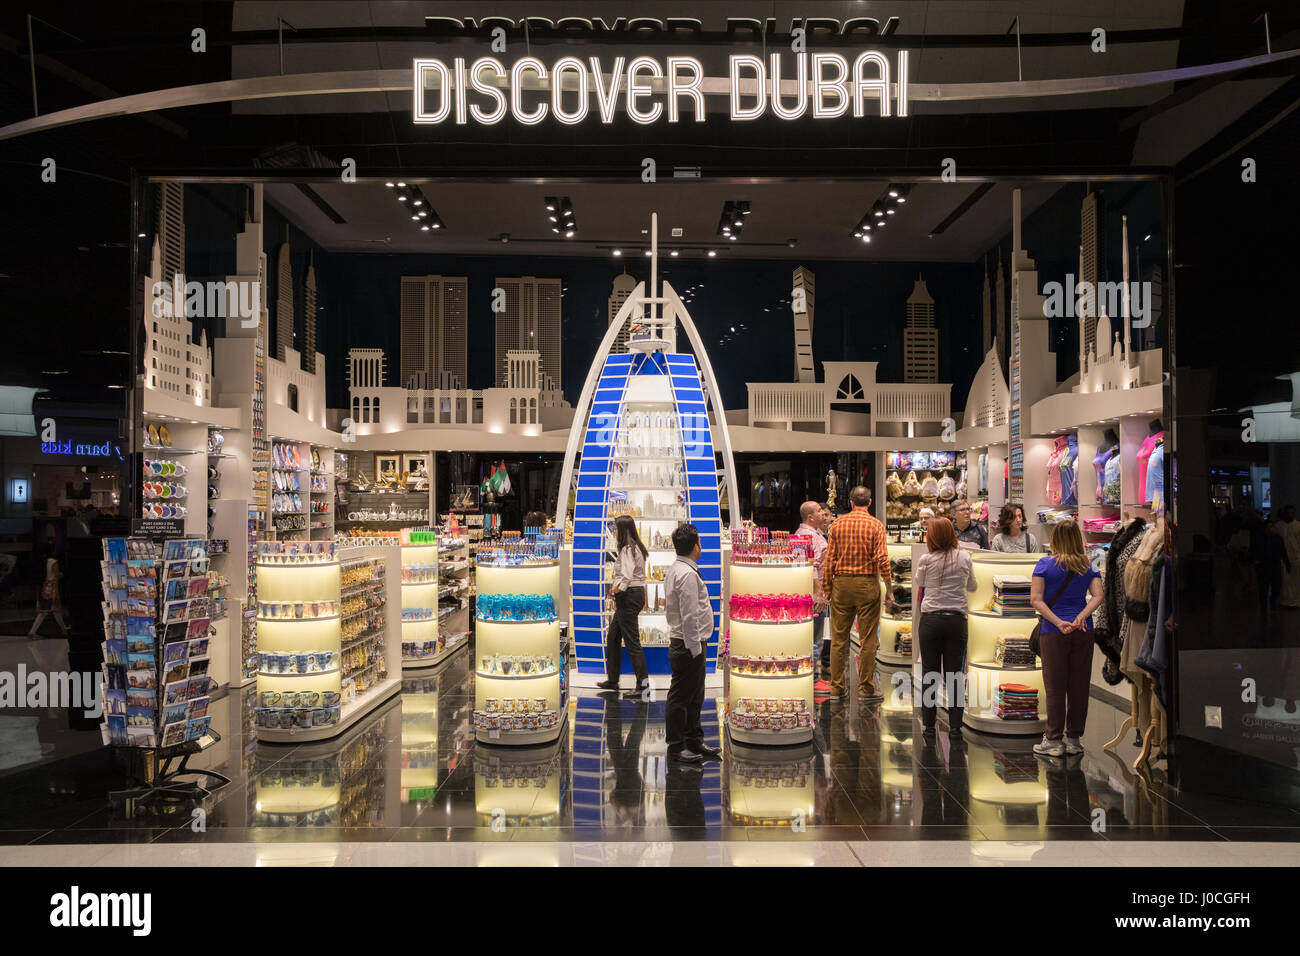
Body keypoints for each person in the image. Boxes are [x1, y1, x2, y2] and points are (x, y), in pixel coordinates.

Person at [1030, 521, 1104, 758]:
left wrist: (1057, 621)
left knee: (1055, 686)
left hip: (1054, 631)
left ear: (1055, 539)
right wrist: (1081, 617)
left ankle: (1053, 739)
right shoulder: (1088, 565)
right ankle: (1074, 738)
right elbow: (1098, 595)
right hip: (1083, 631)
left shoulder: (1044, 565)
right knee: (1079, 685)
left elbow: (1036, 599)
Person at [823, 486, 893, 703]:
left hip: (841, 584)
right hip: (867, 584)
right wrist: (889, 589)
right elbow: (882, 559)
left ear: (851, 502)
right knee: (868, 638)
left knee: (838, 639)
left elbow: (829, 559)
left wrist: (827, 588)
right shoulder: (876, 525)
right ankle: (867, 687)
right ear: (869, 502)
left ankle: (836, 687)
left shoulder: (837, 524)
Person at [913, 517, 978, 740]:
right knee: (955, 675)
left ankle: (929, 726)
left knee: (930, 673)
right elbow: (973, 586)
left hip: (931, 621)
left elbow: (919, 581)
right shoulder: (964, 558)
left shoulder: (926, 559)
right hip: (956, 621)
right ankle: (955, 728)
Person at [664, 524, 720, 762]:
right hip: (688, 644)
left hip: (689, 642)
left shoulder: (680, 568)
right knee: (681, 697)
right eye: (699, 541)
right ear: (694, 545)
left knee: (695, 695)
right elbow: (689, 616)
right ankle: (677, 747)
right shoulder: (686, 574)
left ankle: (694, 741)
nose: (701, 545)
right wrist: (695, 648)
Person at [597, 514, 650, 693]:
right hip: (634, 595)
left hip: (629, 596)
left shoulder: (628, 549)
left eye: (617, 528)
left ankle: (643, 687)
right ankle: (613, 680)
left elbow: (626, 577)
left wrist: (615, 590)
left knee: (632, 642)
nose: (615, 531)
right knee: (613, 637)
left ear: (624, 530)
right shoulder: (635, 547)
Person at [795, 501, 831, 688]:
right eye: (819, 512)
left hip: (810, 593)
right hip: (814, 595)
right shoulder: (808, 537)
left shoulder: (805, 534)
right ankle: (814, 678)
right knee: (814, 638)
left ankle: (813, 675)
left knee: (813, 637)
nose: (823, 515)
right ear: (810, 517)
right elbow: (811, 566)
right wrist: (818, 592)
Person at [1255, 517, 1291, 614]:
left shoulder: (1278, 538)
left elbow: (1283, 552)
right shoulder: (1259, 538)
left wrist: (1287, 563)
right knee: (1263, 589)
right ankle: (1264, 606)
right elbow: (1254, 550)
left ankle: (1272, 601)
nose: (1270, 529)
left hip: (1275, 565)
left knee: (1277, 585)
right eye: (1268, 527)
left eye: (1272, 526)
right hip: (1263, 565)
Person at [1280, 505, 1300, 608]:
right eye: (1288, 513)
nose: (1290, 515)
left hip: (1296, 558)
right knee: (1285, 581)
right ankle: (1287, 600)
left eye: (1292, 513)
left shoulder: (1298, 525)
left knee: (1295, 582)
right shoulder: (1280, 526)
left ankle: (1295, 601)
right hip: (1284, 559)